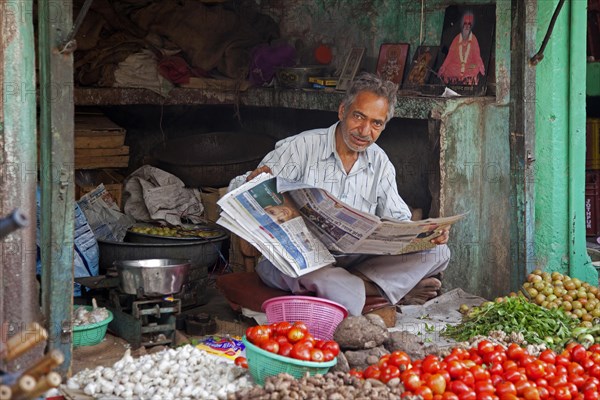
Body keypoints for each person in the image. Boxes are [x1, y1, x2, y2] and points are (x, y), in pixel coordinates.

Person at [243, 72, 451, 316]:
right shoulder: (302, 147)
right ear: (343, 111)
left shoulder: (380, 161)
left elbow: (400, 221)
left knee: (439, 252)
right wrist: (253, 182)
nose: (364, 131)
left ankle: (354, 284)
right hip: (303, 261)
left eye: (376, 123)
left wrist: (425, 234)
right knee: (312, 273)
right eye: (359, 117)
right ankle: (383, 290)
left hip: (355, 260)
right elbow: (245, 187)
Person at [438, 11, 485, 85]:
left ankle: (467, 80)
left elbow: (477, 56)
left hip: (469, 65)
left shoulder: (474, 39)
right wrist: (443, 66)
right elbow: (450, 55)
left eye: (469, 24)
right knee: (447, 69)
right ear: (462, 25)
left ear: (471, 26)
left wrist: (480, 65)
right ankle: (454, 81)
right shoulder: (457, 38)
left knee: (475, 68)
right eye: (465, 24)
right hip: (456, 65)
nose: (467, 26)